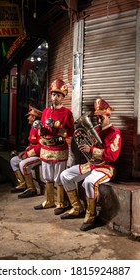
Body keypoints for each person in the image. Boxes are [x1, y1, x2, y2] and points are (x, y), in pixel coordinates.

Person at [60, 97, 122, 231]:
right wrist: (84, 146)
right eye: (97, 118)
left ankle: (91, 215)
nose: (98, 120)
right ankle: (77, 207)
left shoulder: (115, 132)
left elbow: (113, 155)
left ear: (108, 115)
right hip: (92, 165)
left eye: (101, 117)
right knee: (64, 175)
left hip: (106, 168)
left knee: (89, 182)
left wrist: (91, 149)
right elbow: (88, 147)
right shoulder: (97, 130)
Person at [34, 79, 75, 215]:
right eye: (53, 95)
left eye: (58, 95)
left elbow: (70, 132)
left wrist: (57, 128)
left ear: (63, 97)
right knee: (47, 176)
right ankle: (49, 200)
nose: (54, 97)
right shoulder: (45, 112)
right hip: (46, 148)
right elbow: (43, 130)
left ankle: (61, 203)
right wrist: (41, 130)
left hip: (59, 149)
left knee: (58, 177)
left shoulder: (66, 113)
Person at [10, 105, 42, 198]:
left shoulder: (39, 129)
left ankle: (31, 189)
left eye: (30, 116)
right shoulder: (32, 128)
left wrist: (27, 154)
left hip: (39, 155)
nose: (28, 118)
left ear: (34, 117)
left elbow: (40, 146)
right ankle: (23, 184)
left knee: (23, 164)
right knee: (13, 161)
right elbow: (32, 144)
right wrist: (24, 152)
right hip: (32, 154)